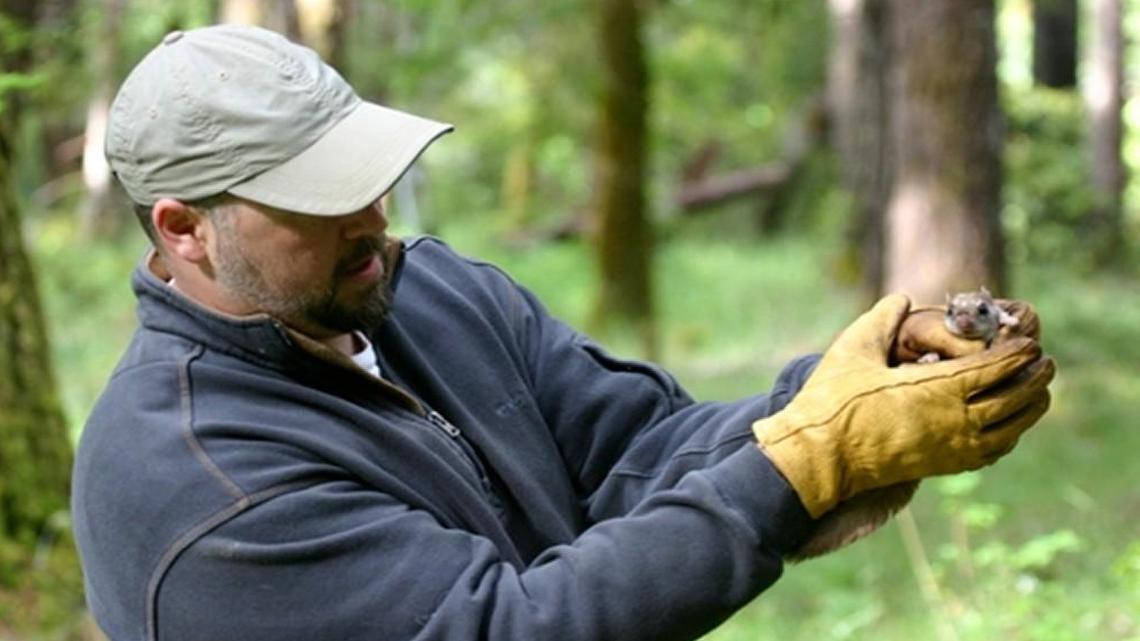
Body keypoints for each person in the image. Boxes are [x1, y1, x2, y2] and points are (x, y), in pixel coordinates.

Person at [71, 24, 1055, 641]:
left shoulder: (428, 292)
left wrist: (856, 385)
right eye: (315, 201)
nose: (369, 213)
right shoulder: (198, 484)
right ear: (185, 228)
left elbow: (634, 453)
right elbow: (511, 624)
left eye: (363, 171)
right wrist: (810, 458)